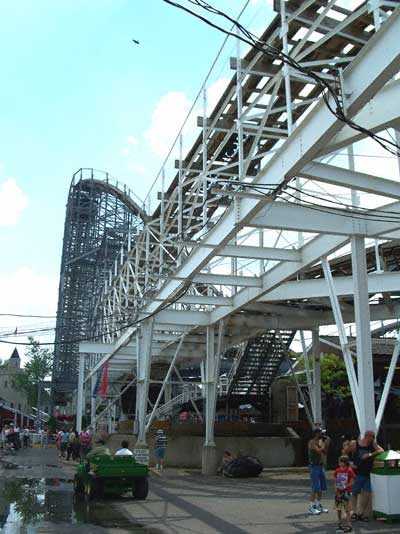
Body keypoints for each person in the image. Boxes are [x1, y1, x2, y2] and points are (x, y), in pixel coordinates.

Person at [344, 430, 383, 522]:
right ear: (366, 436)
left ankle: (361, 512)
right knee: (354, 492)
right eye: (371, 437)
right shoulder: (355, 444)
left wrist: (370, 454)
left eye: (373, 437)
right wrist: (349, 463)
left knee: (367, 493)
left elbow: (381, 450)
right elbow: (344, 452)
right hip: (357, 472)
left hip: (368, 473)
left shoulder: (372, 444)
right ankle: (354, 512)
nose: (372, 439)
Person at [308, 428, 330, 515]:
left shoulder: (320, 442)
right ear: (316, 434)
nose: (322, 434)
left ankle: (318, 505)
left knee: (321, 488)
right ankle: (311, 507)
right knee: (315, 488)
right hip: (314, 466)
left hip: (320, 466)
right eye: (320, 433)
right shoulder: (312, 442)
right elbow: (318, 451)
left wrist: (327, 444)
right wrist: (325, 443)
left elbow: (324, 452)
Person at [334, 455, 355, 532]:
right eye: (339, 462)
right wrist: (336, 488)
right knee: (338, 508)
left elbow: (352, 482)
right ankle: (339, 523)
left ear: (344, 462)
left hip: (346, 492)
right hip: (338, 492)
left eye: (340, 461)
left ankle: (349, 525)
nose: (339, 463)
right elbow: (335, 481)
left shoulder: (349, 471)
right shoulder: (337, 471)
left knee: (347, 509)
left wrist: (345, 486)